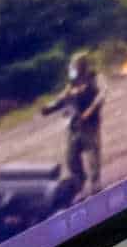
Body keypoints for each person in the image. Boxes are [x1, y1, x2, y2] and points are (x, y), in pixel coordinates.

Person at [40, 53, 105, 195]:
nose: (72, 69)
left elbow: (101, 96)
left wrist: (90, 110)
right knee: (71, 158)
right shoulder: (72, 84)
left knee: (93, 155)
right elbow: (62, 98)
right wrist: (49, 107)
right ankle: (79, 182)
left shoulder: (94, 79)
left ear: (81, 66)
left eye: (75, 66)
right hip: (74, 126)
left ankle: (95, 183)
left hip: (89, 126)